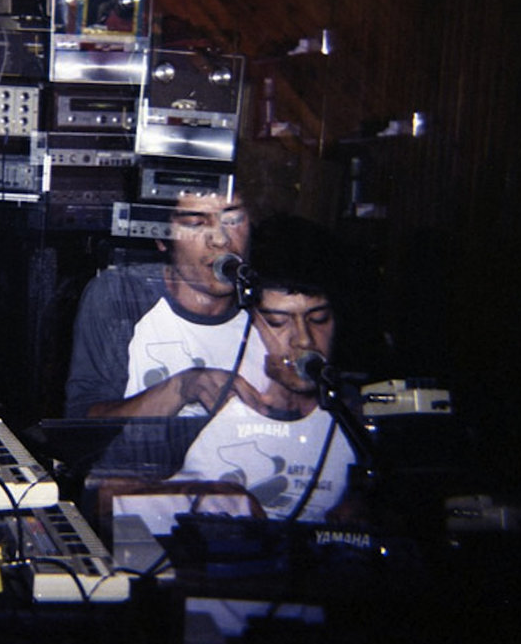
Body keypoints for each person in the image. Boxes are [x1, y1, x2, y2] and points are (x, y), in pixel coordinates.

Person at [128, 215, 364, 529]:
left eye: (318, 319)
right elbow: (107, 501)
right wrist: (195, 495)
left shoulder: (353, 417)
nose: (304, 340)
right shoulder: (212, 403)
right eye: (278, 322)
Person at [65, 186, 267, 423]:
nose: (221, 239)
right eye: (195, 223)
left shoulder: (272, 309)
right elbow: (84, 423)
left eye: (232, 220)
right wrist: (181, 388)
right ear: (162, 238)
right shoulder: (122, 294)